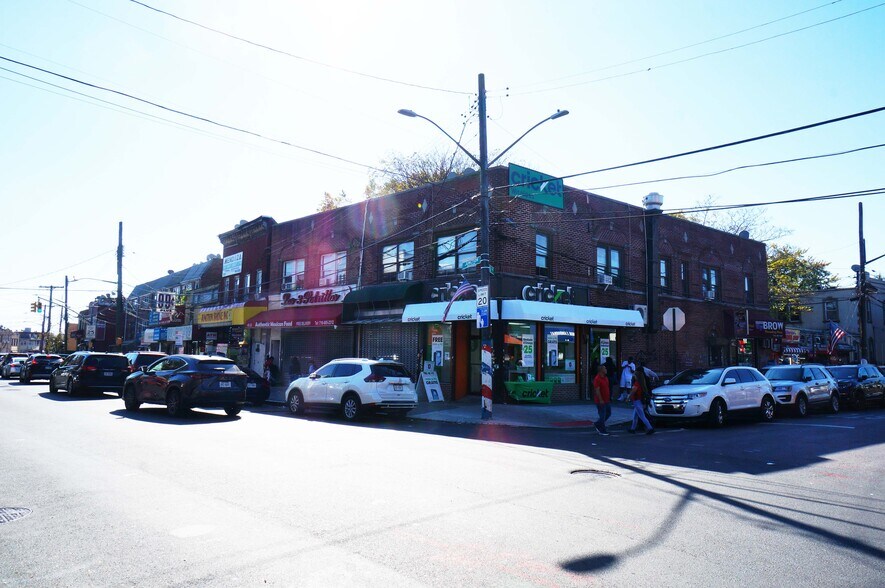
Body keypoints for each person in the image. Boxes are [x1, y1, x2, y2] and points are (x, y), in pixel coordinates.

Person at [628, 364, 655, 435]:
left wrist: (628, 398)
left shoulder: (637, 383)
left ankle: (650, 428)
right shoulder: (643, 382)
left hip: (637, 401)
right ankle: (632, 428)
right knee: (635, 416)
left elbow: (633, 392)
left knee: (642, 416)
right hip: (641, 401)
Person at [593, 365, 612, 435]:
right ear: (601, 370)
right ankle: (602, 430)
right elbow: (597, 390)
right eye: (605, 368)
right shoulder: (597, 379)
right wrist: (600, 399)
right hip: (600, 400)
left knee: (608, 413)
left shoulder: (605, 378)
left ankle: (598, 424)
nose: (606, 369)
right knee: (602, 415)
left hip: (607, 399)